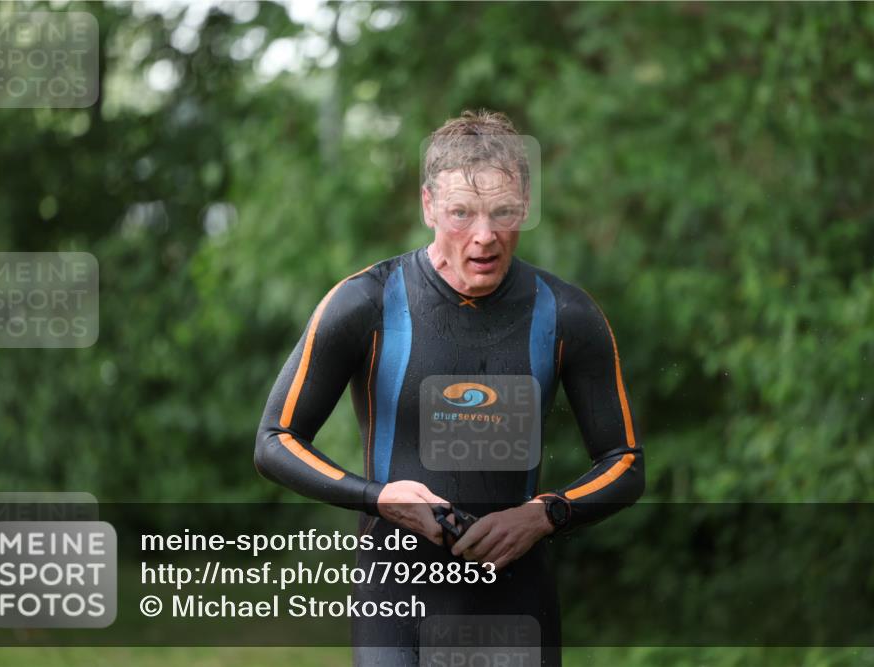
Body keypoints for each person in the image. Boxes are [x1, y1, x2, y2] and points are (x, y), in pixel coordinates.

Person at [255, 109, 644, 666]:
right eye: (462, 213)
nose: (484, 236)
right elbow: (275, 441)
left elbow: (624, 462)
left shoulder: (566, 314)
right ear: (429, 205)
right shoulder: (366, 303)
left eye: (502, 212)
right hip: (396, 599)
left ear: (524, 206)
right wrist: (377, 497)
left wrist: (544, 514)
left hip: (515, 600)